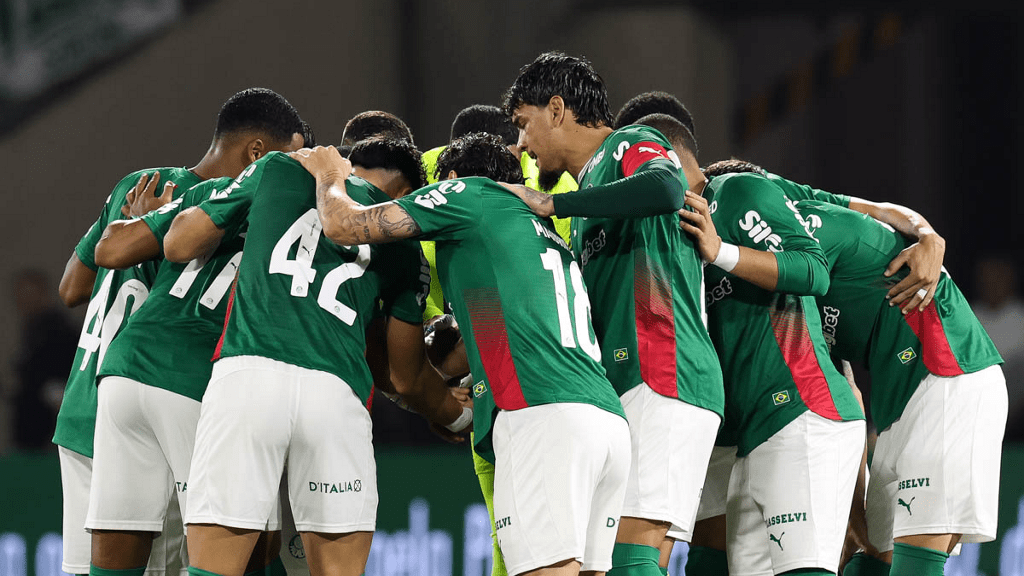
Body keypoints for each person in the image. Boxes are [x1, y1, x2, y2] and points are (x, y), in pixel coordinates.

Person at [290, 132, 630, 576]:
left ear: (450, 178)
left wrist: (330, 175)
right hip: (604, 419)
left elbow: (343, 226)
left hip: (541, 415)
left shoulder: (467, 194)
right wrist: (445, 392)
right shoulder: (538, 235)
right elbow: (485, 340)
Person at [164, 136, 468, 576]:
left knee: (213, 570)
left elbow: (178, 244)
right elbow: (404, 377)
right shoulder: (405, 241)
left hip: (247, 380)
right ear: (406, 194)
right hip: (335, 396)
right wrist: (456, 416)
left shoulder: (277, 169)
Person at [52, 87, 305, 576]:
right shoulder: (224, 209)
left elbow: (71, 288)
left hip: (87, 402)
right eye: (285, 160)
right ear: (258, 152)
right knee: (223, 552)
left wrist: (135, 225)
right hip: (168, 389)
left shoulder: (138, 184)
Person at [501, 52, 723, 576]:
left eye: (524, 123)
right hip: (631, 383)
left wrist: (553, 205)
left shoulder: (626, 143)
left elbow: (666, 186)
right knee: (616, 562)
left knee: (629, 559)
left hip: (664, 368)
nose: (522, 144)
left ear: (557, 109)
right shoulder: (591, 199)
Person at [642, 113, 865, 576]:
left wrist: (721, 251)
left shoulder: (737, 191)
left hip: (800, 411)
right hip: (750, 436)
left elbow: (813, 270)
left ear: (663, 156)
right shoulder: (669, 233)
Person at [787, 198, 1006, 576]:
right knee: (869, 563)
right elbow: (844, 396)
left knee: (913, 565)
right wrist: (855, 515)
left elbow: (879, 210)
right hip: (895, 407)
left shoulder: (802, 224)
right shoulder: (776, 284)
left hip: (945, 376)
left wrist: (927, 235)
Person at [11, 269, 77, 450]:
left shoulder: (57, 328)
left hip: (46, 423)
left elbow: (55, 374)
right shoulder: (31, 327)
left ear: (42, 293)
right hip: (30, 420)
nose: (23, 299)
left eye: (29, 292)